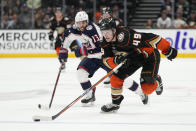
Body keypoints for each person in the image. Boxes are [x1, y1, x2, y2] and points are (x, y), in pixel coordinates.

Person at [59, 11, 148, 106]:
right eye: (80, 23)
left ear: (87, 21)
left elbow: (100, 48)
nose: (82, 25)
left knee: (121, 78)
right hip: (92, 58)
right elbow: (66, 40)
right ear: (76, 23)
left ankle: (141, 92)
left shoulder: (92, 30)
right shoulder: (72, 30)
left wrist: (82, 51)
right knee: (81, 73)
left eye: (84, 22)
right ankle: (90, 94)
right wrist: (63, 54)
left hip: (105, 56)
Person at [98, 18, 177, 112]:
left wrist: (167, 49)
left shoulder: (125, 35)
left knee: (147, 89)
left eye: (107, 32)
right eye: (103, 32)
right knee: (115, 77)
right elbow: (105, 60)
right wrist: (115, 61)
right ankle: (115, 103)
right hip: (132, 59)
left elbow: (150, 38)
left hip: (149, 55)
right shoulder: (104, 42)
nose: (105, 35)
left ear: (114, 30)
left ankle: (157, 81)